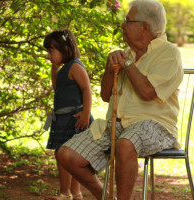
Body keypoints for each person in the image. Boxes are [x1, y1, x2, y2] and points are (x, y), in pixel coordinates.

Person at [57, 0, 183, 200]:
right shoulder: (127, 53)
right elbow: (106, 96)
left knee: (125, 143)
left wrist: (128, 64)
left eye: (128, 21)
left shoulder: (170, 53)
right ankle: (107, 198)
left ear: (145, 27)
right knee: (66, 154)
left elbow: (148, 92)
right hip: (117, 125)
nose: (122, 25)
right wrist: (110, 67)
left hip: (157, 127)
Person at [43, 29, 94, 200]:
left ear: (64, 48)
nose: (48, 56)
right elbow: (57, 87)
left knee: (69, 156)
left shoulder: (75, 66)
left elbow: (87, 89)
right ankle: (72, 193)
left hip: (75, 119)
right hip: (63, 120)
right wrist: (54, 68)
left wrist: (86, 113)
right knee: (64, 156)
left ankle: (68, 193)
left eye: (51, 51)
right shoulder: (65, 69)